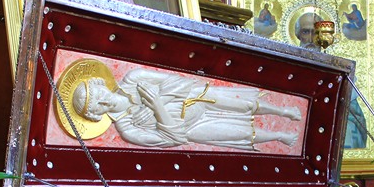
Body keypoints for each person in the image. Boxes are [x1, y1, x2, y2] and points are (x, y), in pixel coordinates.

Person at [71, 68, 302, 150]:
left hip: (195, 98)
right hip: (193, 127)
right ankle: (280, 136)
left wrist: (157, 98)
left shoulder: (134, 78)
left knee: (243, 104)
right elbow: (173, 138)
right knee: (238, 133)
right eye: (97, 107)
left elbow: (177, 81)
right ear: (94, 116)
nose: (104, 103)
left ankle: (283, 112)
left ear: (102, 85)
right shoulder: (127, 129)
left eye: (100, 96)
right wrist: (158, 107)